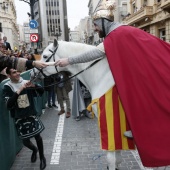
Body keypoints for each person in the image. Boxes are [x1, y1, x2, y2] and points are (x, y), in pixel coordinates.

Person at [55, 0, 170, 167]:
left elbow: (94, 53)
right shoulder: (119, 33)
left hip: (140, 73)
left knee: (135, 95)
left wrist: (68, 60)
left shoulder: (117, 35)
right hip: (137, 70)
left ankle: (136, 128)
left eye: (95, 25)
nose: (95, 28)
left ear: (103, 22)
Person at [3, 68, 46, 170]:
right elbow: (9, 104)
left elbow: (42, 91)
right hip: (19, 117)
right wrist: (19, 90)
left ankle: (42, 158)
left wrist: (34, 86)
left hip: (31, 114)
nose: (18, 73)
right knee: (25, 141)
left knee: (38, 137)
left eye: (18, 71)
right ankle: (34, 150)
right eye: (14, 72)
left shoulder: (26, 82)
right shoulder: (7, 87)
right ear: (9, 75)